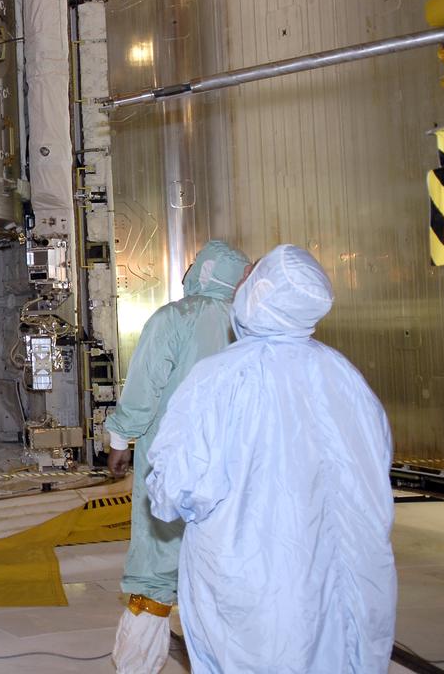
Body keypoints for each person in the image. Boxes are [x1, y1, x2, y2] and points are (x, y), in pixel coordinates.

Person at [146, 245, 396, 674]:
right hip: (357, 586)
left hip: (259, 589)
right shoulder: (346, 376)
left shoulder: (221, 378)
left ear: (259, 294)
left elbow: (175, 489)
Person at [103, 239, 249, 674]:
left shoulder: (175, 319)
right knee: (222, 568)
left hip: (173, 465)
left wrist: (119, 442)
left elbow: (145, 389)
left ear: (202, 271)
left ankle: (137, 664)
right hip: (233, 469)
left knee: (156, 567)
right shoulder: (251, 325)